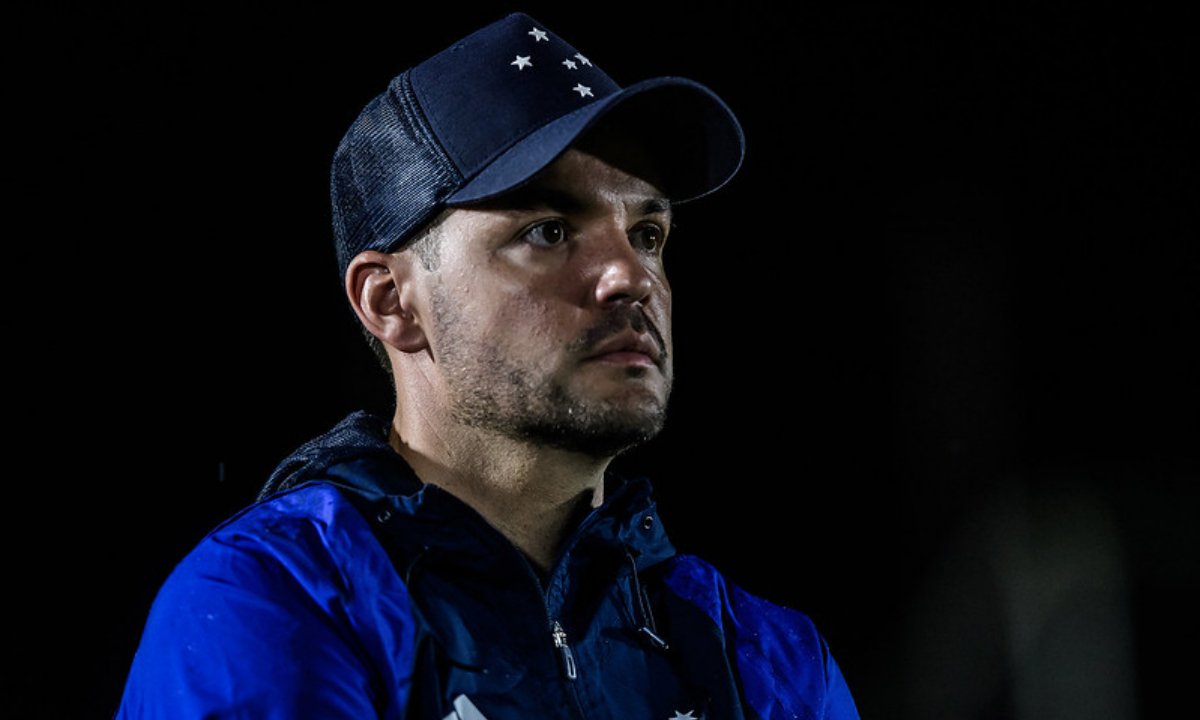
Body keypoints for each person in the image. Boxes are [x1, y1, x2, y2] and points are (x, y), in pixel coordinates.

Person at [116, 11, 860, 719]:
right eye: (548, 230)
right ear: (390, 303)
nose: (630, 276)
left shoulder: (763, 654)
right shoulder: (274, 599)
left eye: (648, 233)